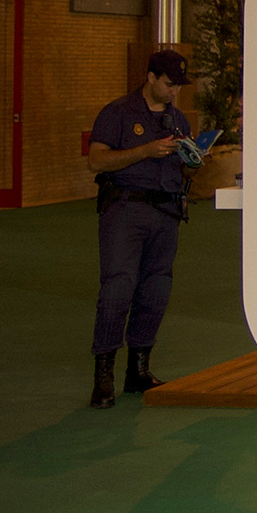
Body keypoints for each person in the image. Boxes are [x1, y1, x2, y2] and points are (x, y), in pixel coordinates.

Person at [85, 49, 200, 408]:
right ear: (150, 78)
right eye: (168, 84)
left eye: (178, 86)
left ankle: (138, 368)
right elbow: (96, 160)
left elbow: (184, 171)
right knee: (118, 288)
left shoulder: (177, 119)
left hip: (166, 211)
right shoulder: (118, 113)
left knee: (156, 290)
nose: (173, 92)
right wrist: (145, 151)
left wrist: (193, 160)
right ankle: (103, 375)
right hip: (125, 209)